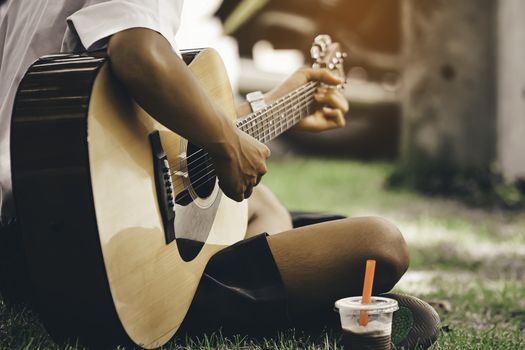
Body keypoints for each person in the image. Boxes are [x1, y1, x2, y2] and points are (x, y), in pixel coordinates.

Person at [0, 0, 440, 348]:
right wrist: (228, 144)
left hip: (30, 232)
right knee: (378, 244)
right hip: (87, 260)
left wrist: (275, 106)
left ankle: (269, 289)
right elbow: (136, 51)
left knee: (267, 206)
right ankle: (168, 307)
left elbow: (147, 132)